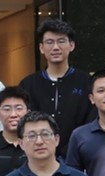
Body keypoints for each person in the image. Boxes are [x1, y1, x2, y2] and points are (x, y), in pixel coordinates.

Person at [17, 19, 95, 159]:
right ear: (41, 48)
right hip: (37, 157)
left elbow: (92, 121)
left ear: (71, 45)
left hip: (78, 157)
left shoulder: (86, 82)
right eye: (49, 42)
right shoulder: (28, 84)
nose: (55, 47)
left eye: (61, 41)